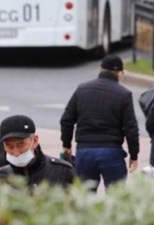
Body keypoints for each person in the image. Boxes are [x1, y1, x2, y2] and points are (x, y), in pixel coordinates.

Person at [60, 55, 140, 190]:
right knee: (116, 197)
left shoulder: (82, 89)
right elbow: (131, 128)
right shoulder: (124, 94)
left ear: (101, 69)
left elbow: (66, 120)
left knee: (85, 197)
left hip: (84, 151)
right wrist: (134, 155)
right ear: (119, 73)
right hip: (111, 151)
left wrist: (66, 144)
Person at [0, 115, 76, 188]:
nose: (16, 153)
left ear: (34, 141)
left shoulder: (62, 171)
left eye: (21, 145)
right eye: (10, 147)